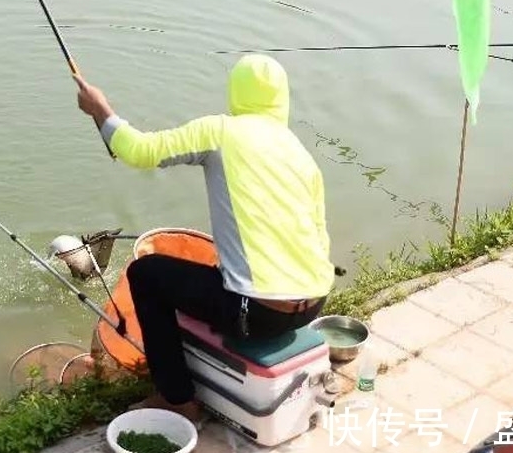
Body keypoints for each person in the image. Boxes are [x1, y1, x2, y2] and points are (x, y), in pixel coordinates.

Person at [72, 55, 332, 423]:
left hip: (255, 314)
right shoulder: (300, 154)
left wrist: (100, 109)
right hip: (312, 306)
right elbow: (318, 237)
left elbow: (140, 151)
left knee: (146, 275)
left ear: (236, 93)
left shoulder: (221, 131)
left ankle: (176, 398)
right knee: (208, 269)